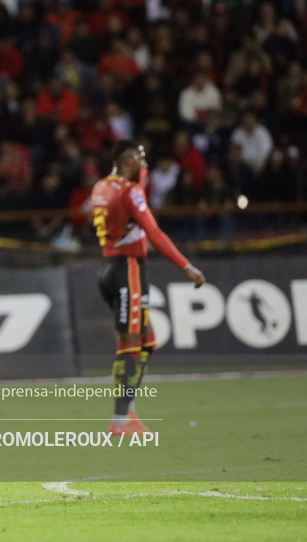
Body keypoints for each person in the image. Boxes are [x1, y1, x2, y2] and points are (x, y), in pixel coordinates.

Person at [90, 141, 205, 436]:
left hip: (111, 269)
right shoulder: (130, 192)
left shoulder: (102, 186)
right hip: (127, 270)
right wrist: (186, 266)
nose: (145, 164)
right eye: (141, 159)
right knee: (129, 344)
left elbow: (130, 201)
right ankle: (119, 422)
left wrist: (139, 177)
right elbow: (152, 231)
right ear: (128, 160)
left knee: (147, 340)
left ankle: (128, 412)